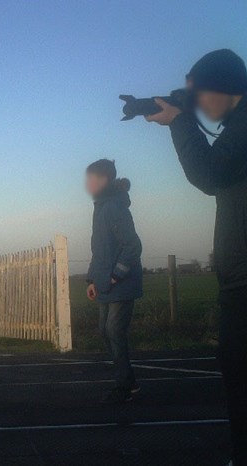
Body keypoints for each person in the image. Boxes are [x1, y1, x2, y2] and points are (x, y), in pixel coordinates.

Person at [145, 49, 247, 466]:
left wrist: (179, 121)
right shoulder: (236, 129)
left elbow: (207, 175)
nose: (199, 103)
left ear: (224, 87)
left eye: (201, 93)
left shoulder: (243, 127)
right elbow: (217, 177)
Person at [85, 159, 143, 404]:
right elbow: (99, 250)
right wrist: (91, 279)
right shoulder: (100, 207)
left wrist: (114, 275)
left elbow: (133, 246)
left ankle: (125, 386)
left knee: (114, 331)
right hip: (104, 284)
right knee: (105, 332)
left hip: (122, 284)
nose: (87, 183)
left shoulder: (115, 207)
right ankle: (126, 382)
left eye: (92, 178)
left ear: (104, 180)